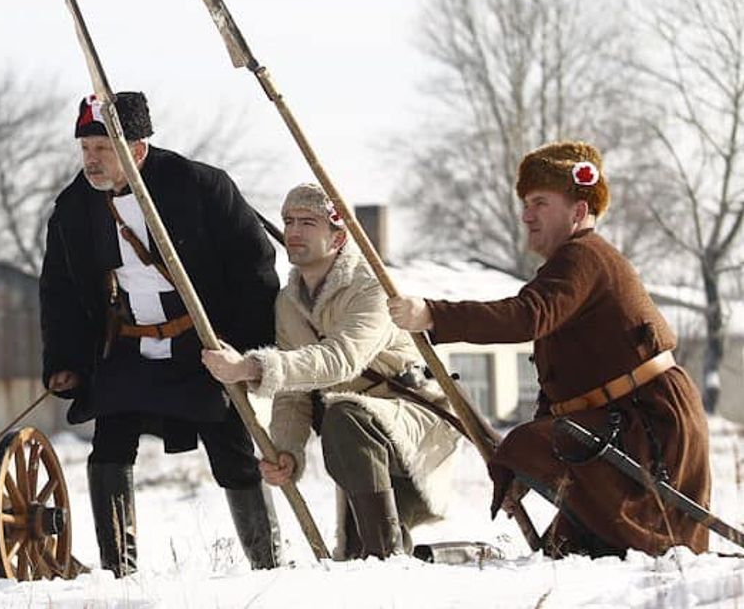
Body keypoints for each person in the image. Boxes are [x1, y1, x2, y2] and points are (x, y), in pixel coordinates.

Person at [387, 141, 711, 557]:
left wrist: (432, 314)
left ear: (578, 211)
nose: (526, 215)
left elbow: (527, 315)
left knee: (641, 546)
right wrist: (523, 472)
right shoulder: (569, 265)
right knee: (566, 547)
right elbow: (559, 389)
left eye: (540, 202)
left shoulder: (583, 256)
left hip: (649, 426)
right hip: (623, 421)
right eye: (525, 203)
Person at [40, 92, 281, 575]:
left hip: (205, 343)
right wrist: (65, 360)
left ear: (138, 145)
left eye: (104, 148)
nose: (92, 160)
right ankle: (119, 573)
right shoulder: (73, 207)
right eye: (86, 149)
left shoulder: (201, 186)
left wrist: (243, 351)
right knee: (109, 446)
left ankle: (268, 565)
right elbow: (60, 289)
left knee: (232, 450)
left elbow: (254, 270)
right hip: (130, 342)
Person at [202, 183, 461, 560]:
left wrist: (251, 366)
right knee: (357, 554)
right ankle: (452, 557)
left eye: (308, 222)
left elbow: (339, 359)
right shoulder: (289, 303)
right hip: (357, 437)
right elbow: (294, 393)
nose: (293, 231)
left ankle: (385, 561)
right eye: (289, 221)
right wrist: (289, 450)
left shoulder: (373, 288)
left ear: (339, 237)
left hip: (410, 421)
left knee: (344, 417)